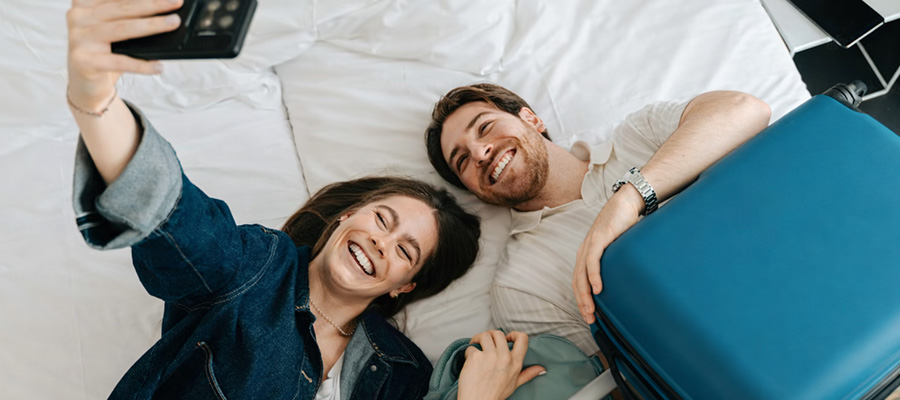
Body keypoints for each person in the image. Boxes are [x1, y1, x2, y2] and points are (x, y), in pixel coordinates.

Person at [65, 1, 497, 398]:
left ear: (405, 284)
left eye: (405, 250)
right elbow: (170, 213)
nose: (382, 243)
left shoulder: (402, 372)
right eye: (382, 220)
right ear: (348, 215)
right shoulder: (253, 269)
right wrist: (94, 98)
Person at [425, 83, 771, 356]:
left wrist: (630, 198)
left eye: (485, 127)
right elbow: (624, 378)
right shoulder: (520, 285)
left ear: (531, 119)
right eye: (462, 161)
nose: (481, 153)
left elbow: (746, 111)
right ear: (473, 192)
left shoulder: (640, 134)